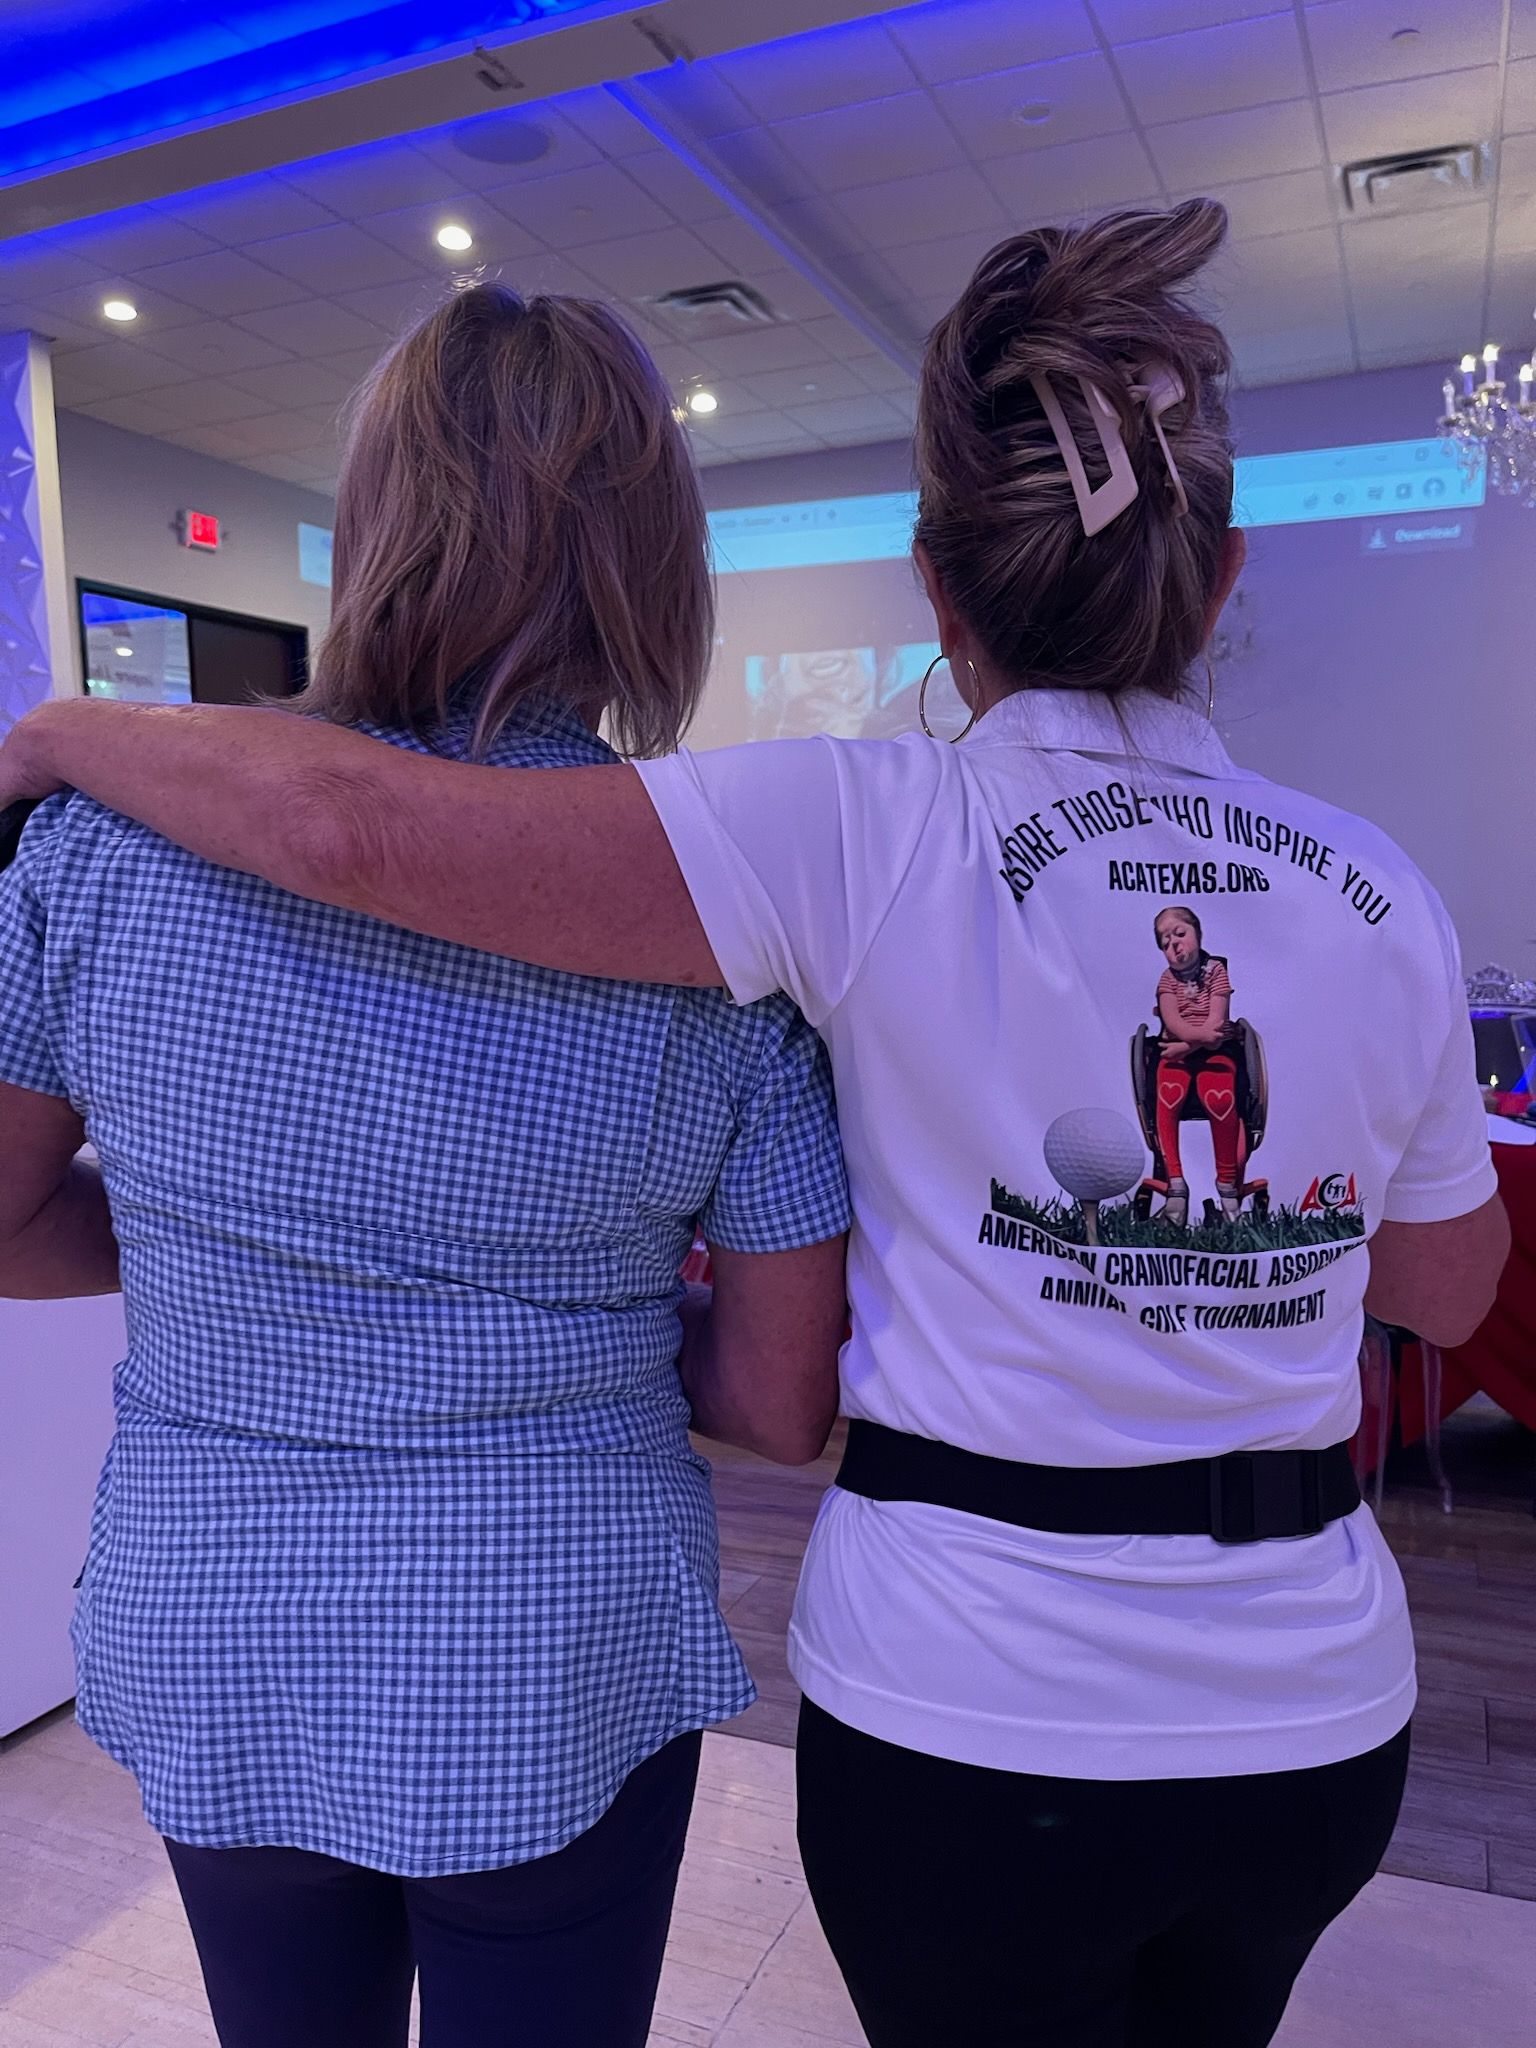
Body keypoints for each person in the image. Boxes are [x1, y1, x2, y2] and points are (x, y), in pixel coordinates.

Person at [0, 204, 1510, 2048]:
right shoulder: (1378, 891)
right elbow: (1440, 1290)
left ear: (931, 585)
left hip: (859, 1690)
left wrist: (68, 739)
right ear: (1217, 582)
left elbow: (362, 833)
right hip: (1245, 1702)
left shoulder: (836, 832)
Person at [0, 284, 850, 2048]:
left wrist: (204, 1239)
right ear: (654, 566)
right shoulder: (714, 931)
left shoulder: (93, 854)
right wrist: (588, 1318)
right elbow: (782, 1401)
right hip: (554, 1639)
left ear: (373, 519)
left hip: (218, 1612)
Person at [1151, 904, 1238, 1225]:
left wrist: (1186, 1045)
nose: (1173, 944)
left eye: (1180, 934)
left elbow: (1217, 1029)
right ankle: (1176, 1186)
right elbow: (1174, 1022)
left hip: (1209, 1054)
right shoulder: (1166, 980)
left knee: (1220, 1098)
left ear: (1197, 934)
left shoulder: (1216, 970)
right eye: (1164, 941)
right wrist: (1192, 1039)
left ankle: (1228, 1187)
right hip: (1176, 1053)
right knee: (1169, 1093)